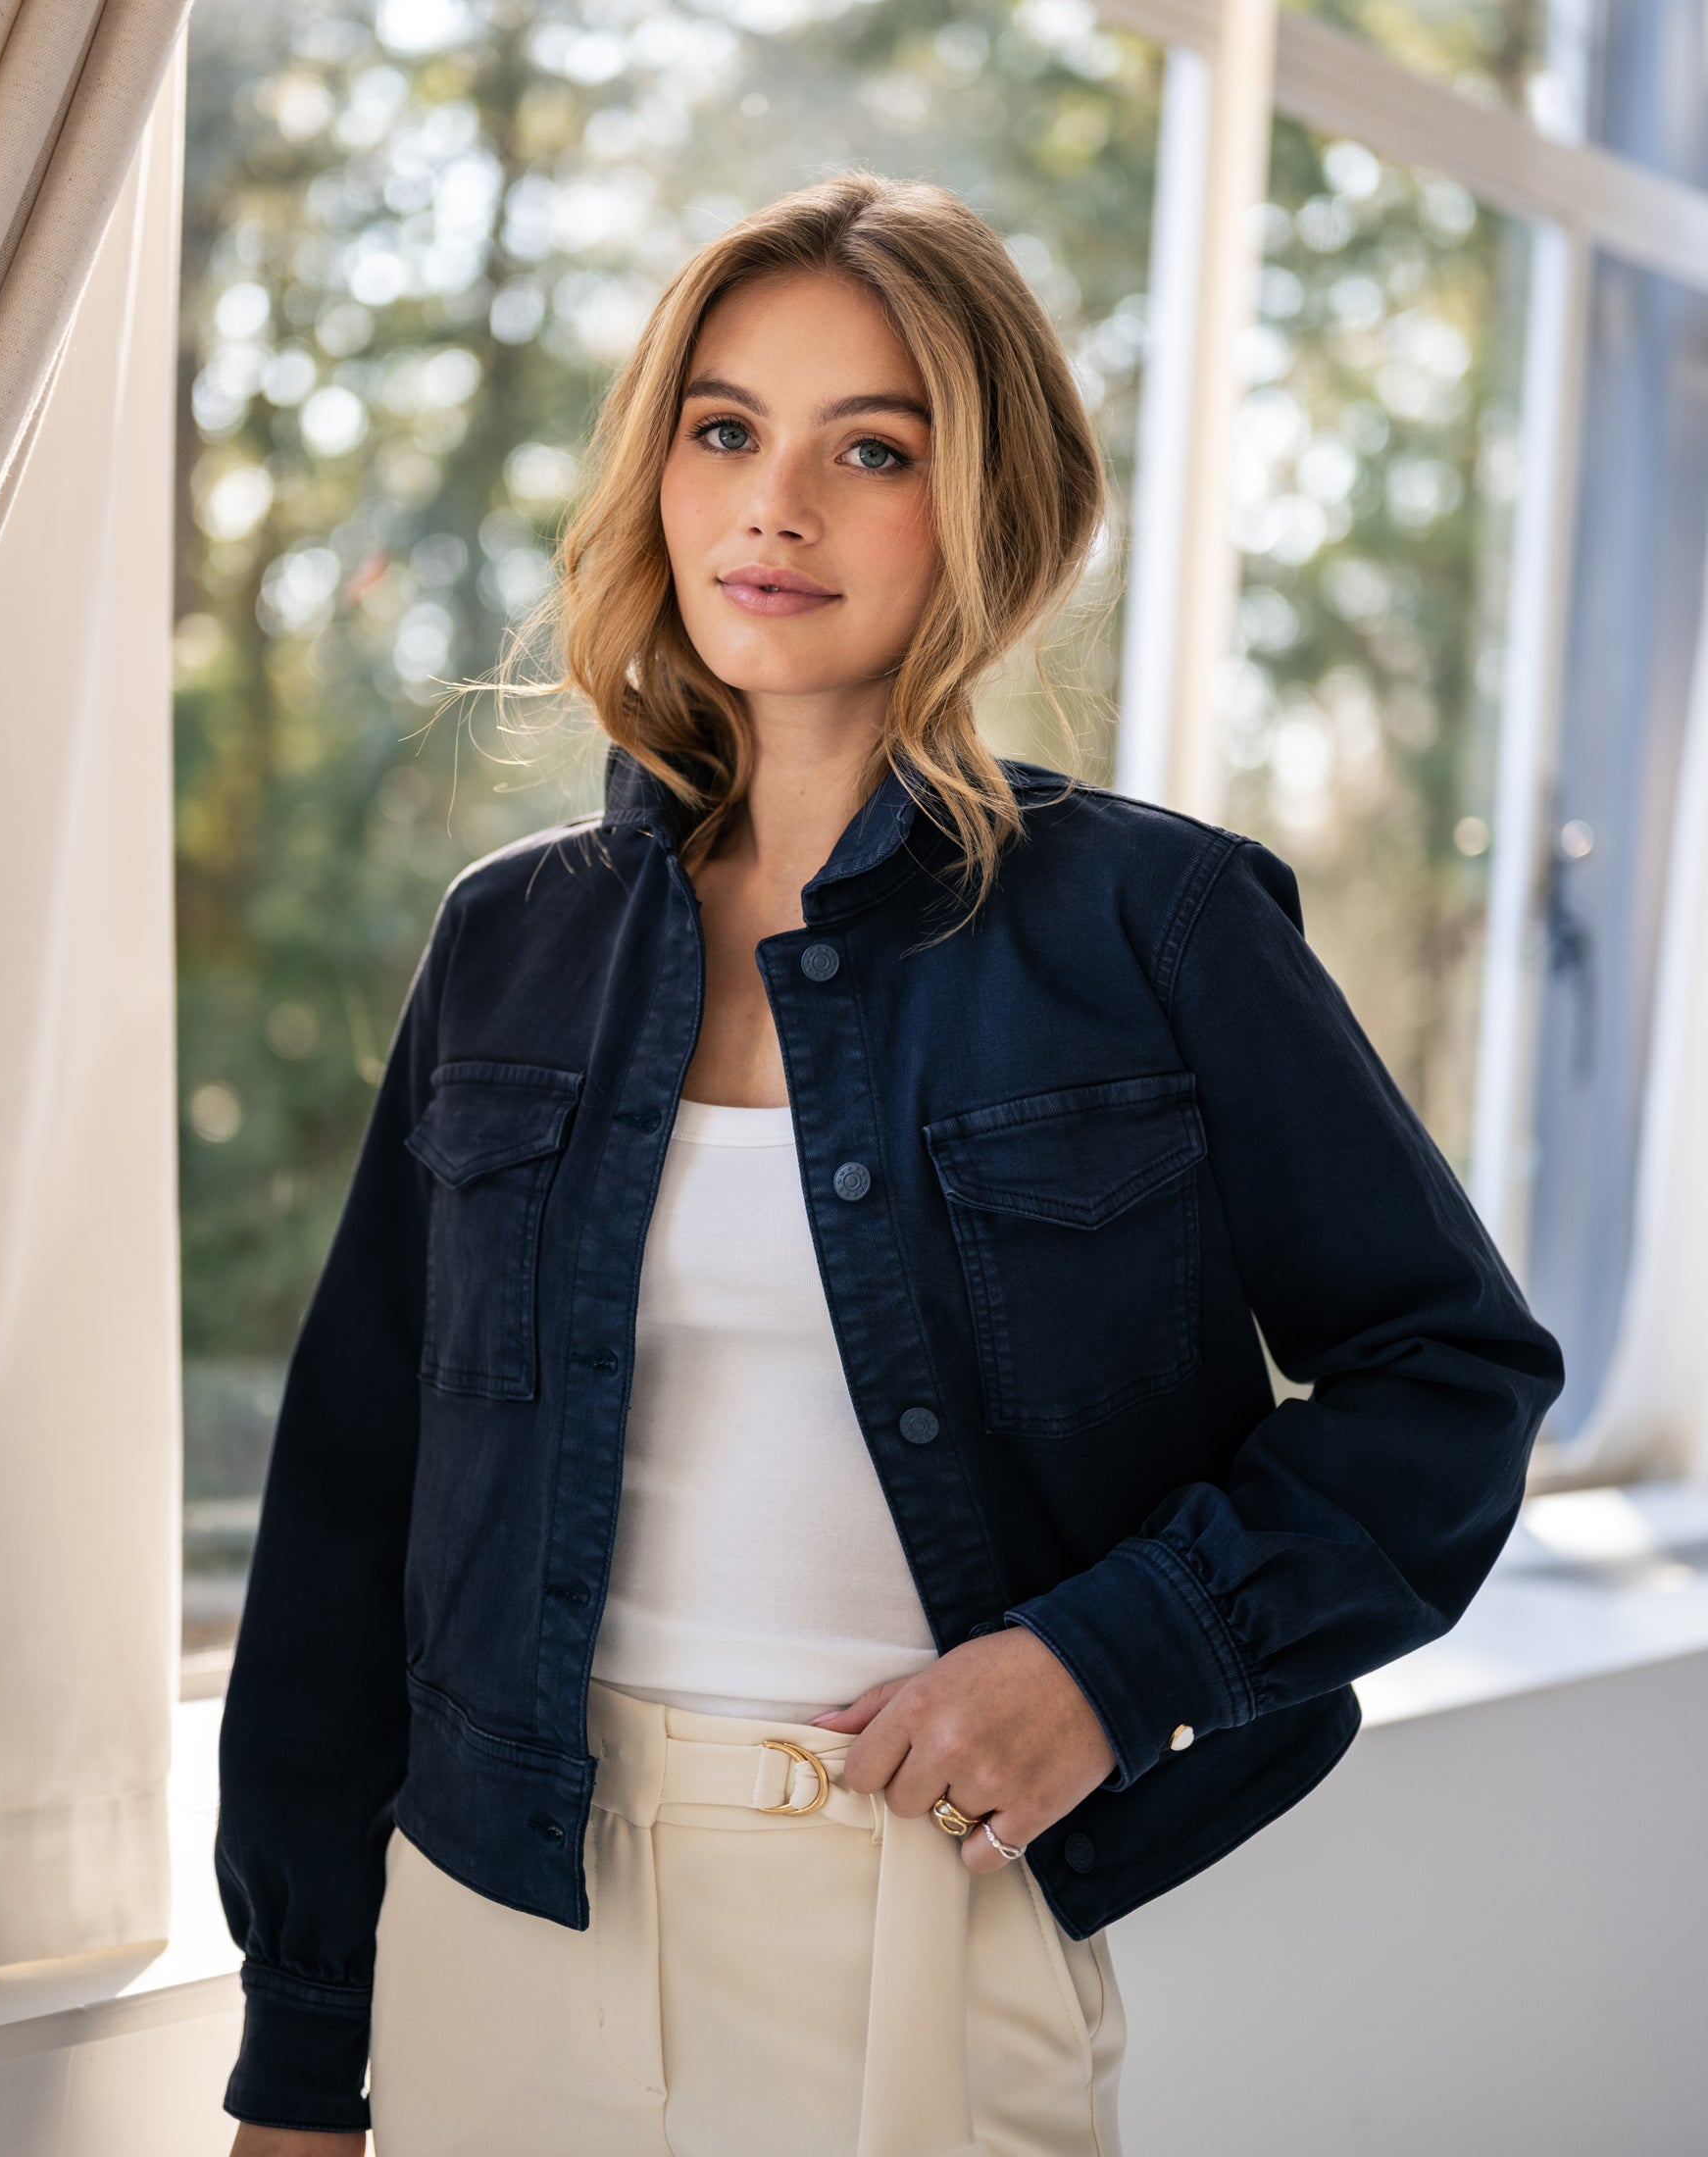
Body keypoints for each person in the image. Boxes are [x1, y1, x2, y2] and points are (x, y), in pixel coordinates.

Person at [217, 173, 1564, 2157]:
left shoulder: (1157, 926)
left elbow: (1450, 1380)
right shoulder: (509, 943)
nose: (778, 505)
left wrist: (1109, 1663)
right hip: (499, 1912)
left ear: (987, 508)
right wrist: (303, 2039)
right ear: (659, 471)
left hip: (920, 1916)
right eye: (726, 428)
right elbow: (351, 1504)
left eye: (877, 448)